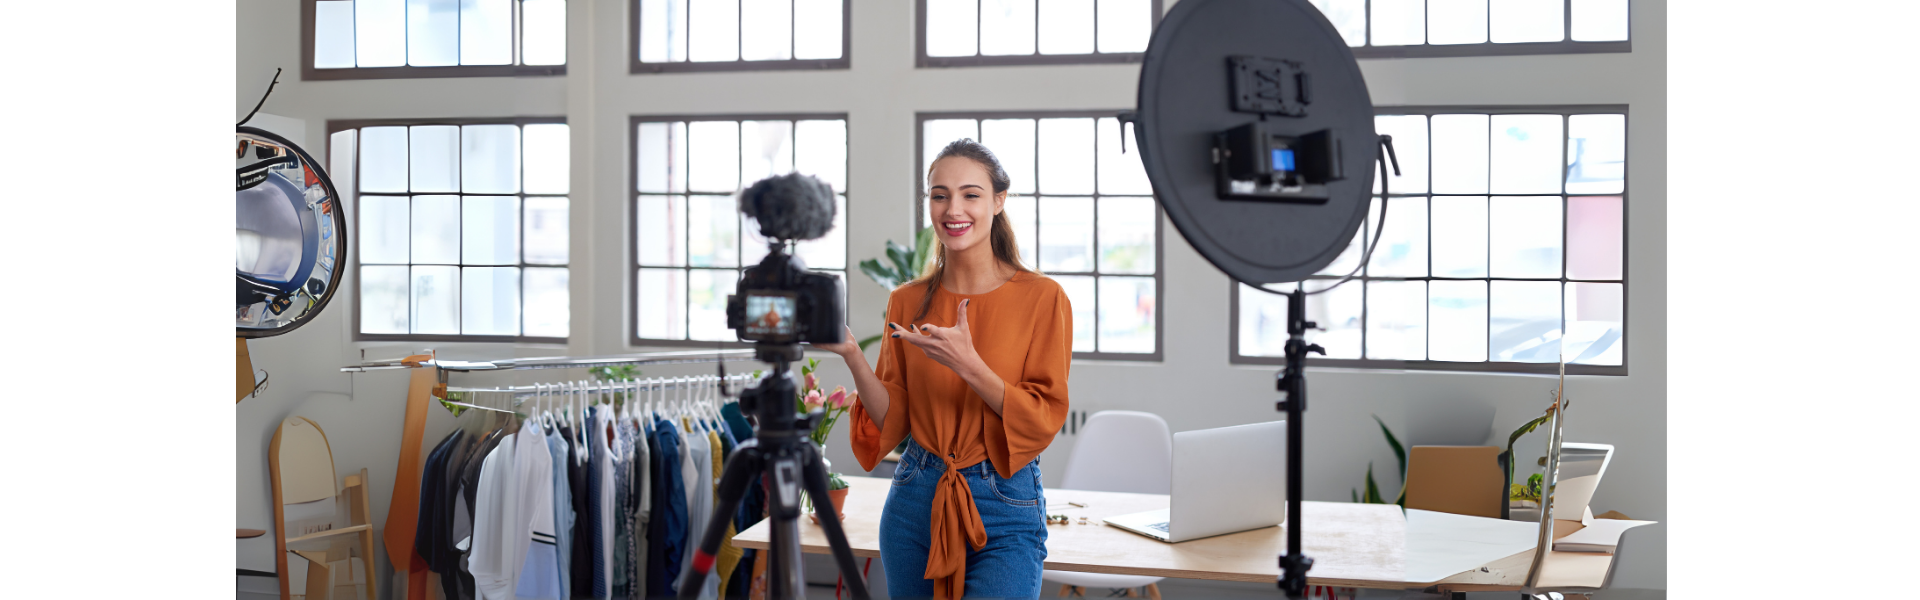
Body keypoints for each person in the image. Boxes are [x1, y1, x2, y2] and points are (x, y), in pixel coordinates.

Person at [812, 138, 1072, 599]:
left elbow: (1042, 416)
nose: (954, 208)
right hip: (916, 496)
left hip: (1006, 501)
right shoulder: (907, 300)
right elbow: (894, 419)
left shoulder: (1043, 299)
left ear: (998, 200)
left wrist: (971, 367)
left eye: (971, 194)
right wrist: (852, 353)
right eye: (939, 194)